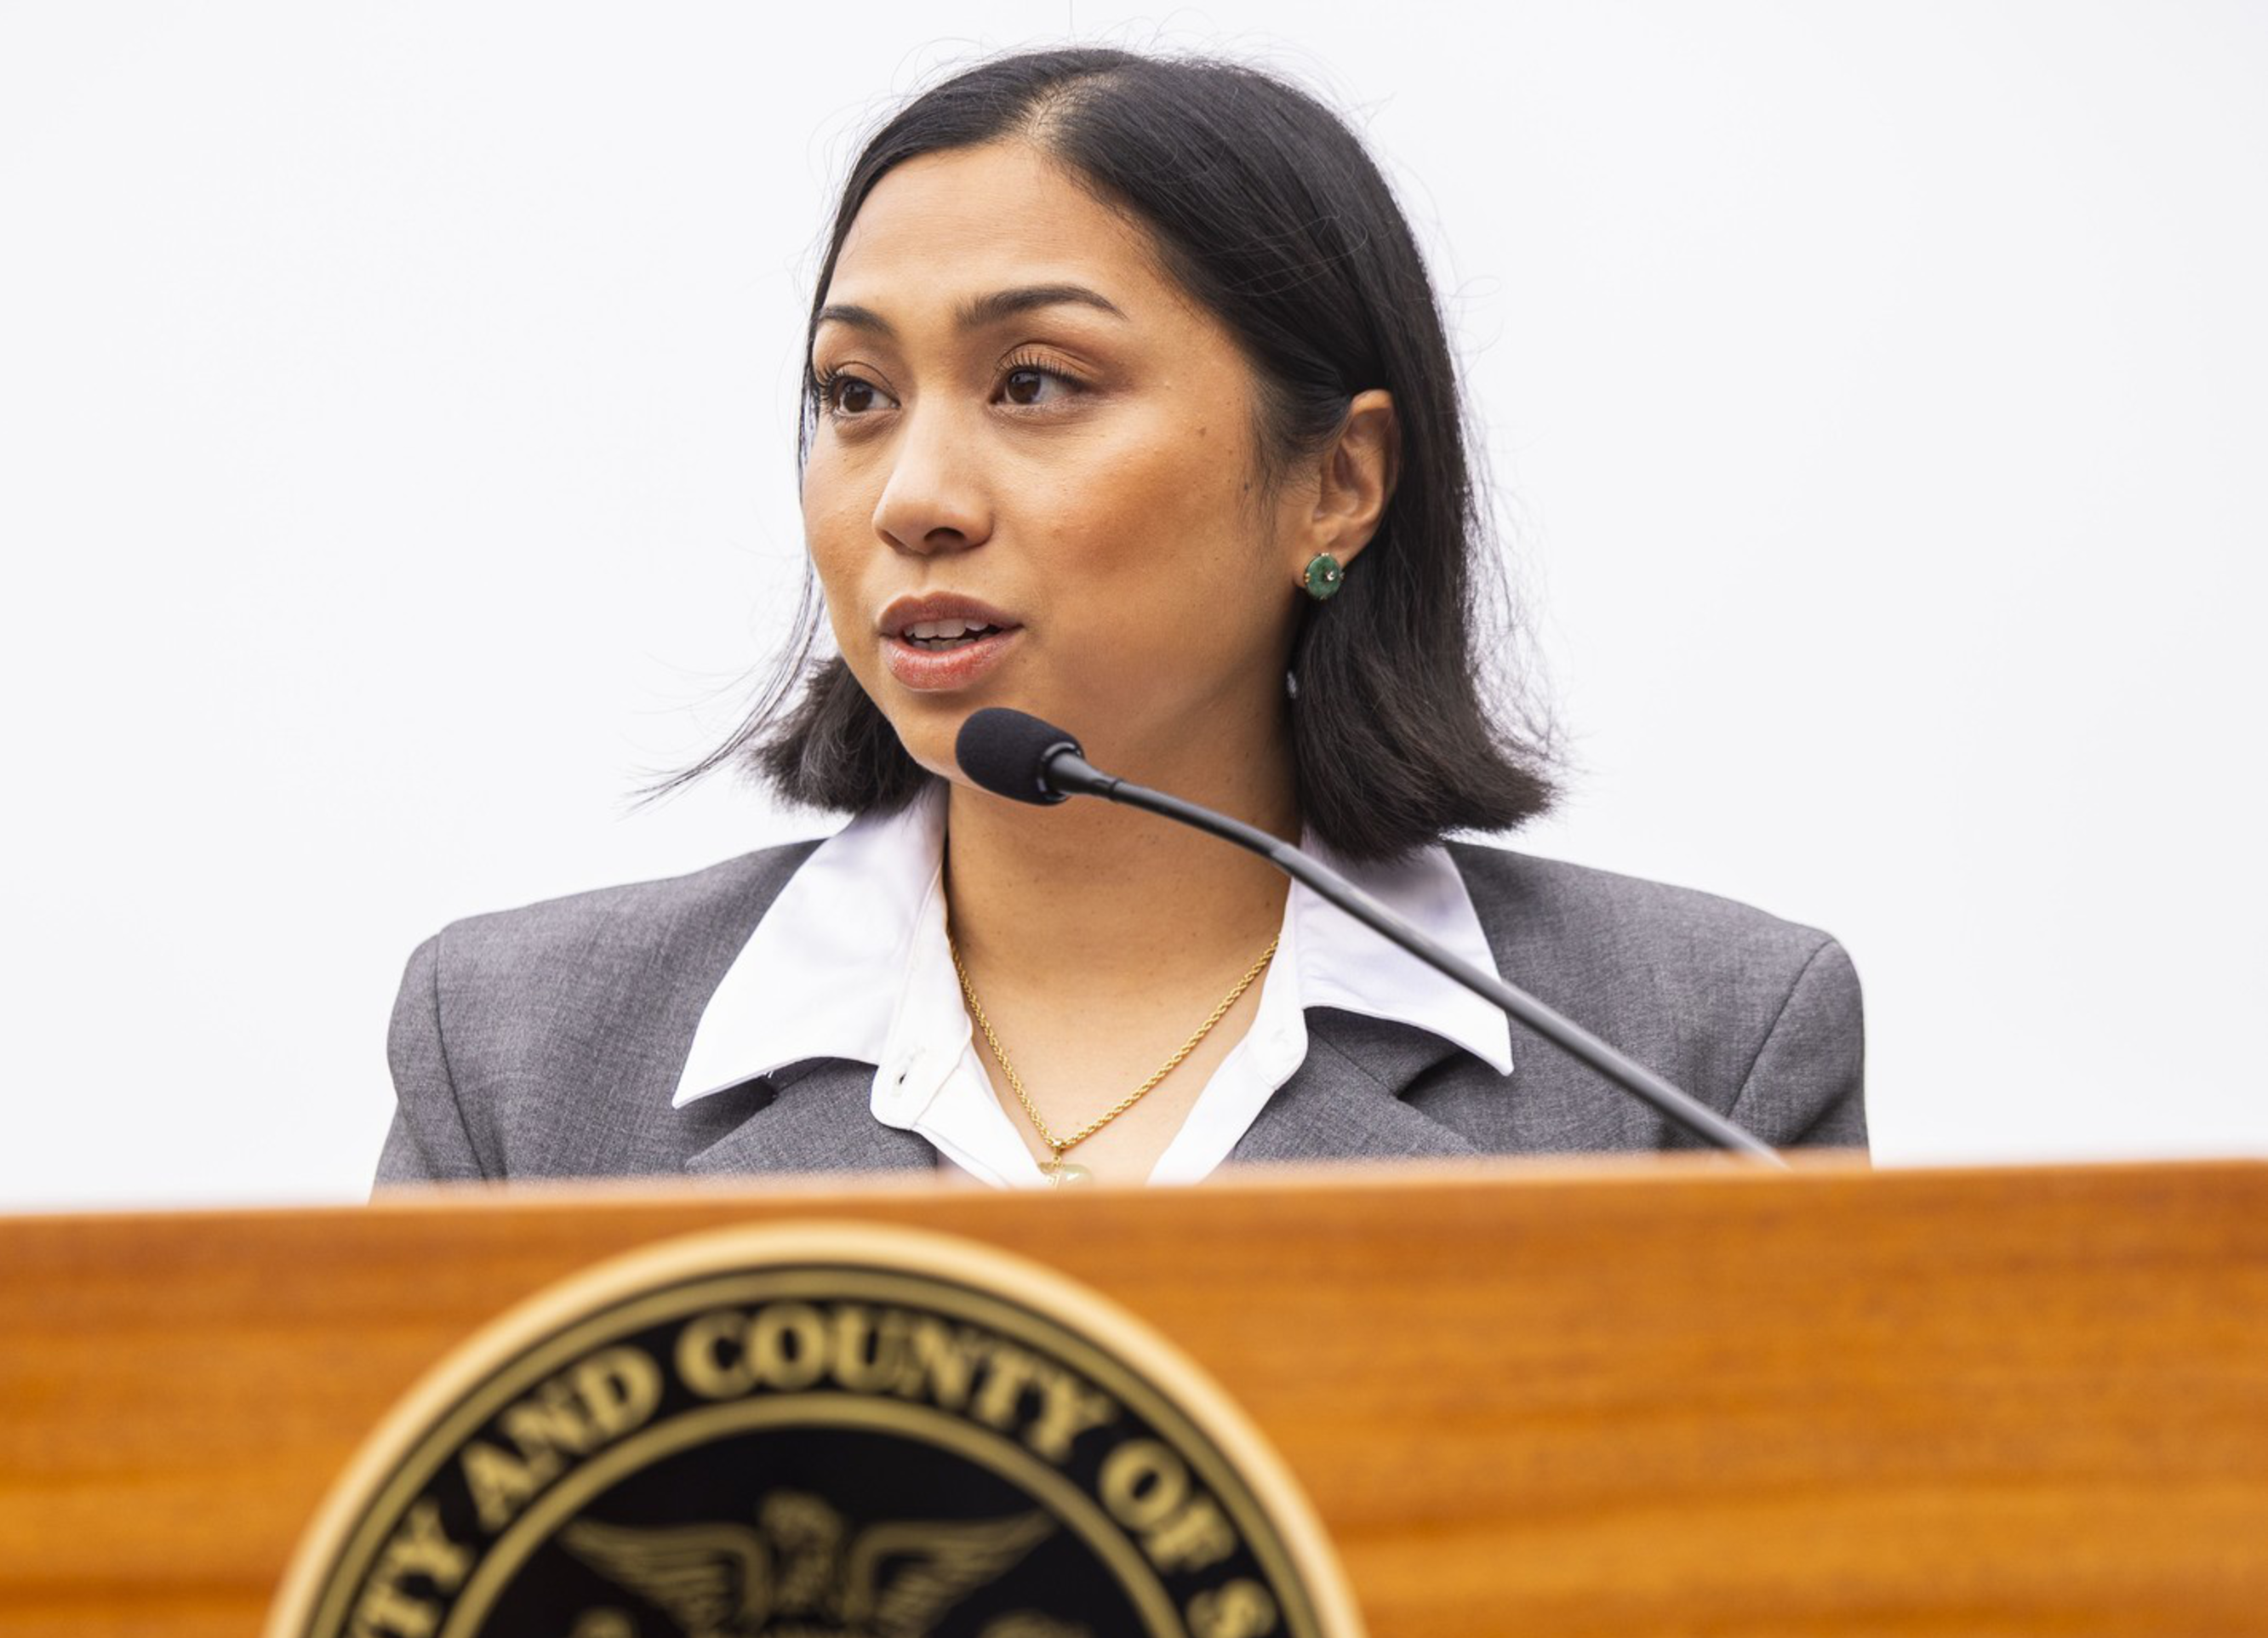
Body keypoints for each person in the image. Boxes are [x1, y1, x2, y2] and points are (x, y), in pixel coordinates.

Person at [377, 49, 1864, 1190]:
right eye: (856, 396)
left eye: (1035, 383)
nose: (914, 497)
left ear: (1337, 483)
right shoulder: (517, 1059)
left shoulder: (1697, 1053)